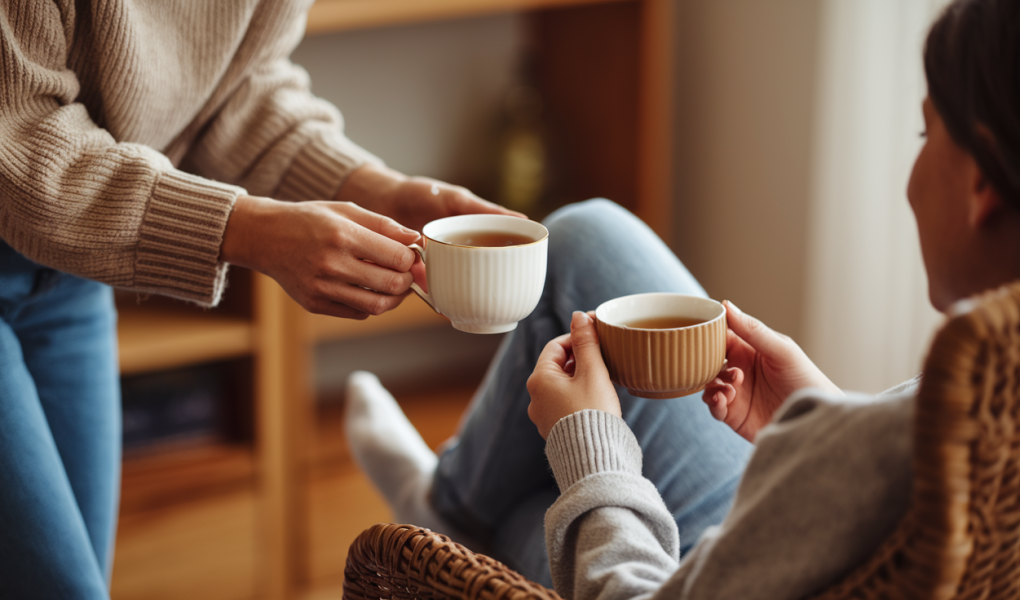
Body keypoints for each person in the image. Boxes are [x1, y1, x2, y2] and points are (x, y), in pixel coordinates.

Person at [345, 0, 1020, 597]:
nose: (910, 179)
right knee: (585, 237)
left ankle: (442, 509)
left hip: (693, 572)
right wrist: (820, 420)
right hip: (796, 541)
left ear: (981, 184)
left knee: (528, 511)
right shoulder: (994, 376)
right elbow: (888, 489)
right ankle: (448, 503)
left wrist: (592, 447)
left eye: (927, 135)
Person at [0, 2, 519, 597]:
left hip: (69, 273)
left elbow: (234, 90)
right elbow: (18, 137)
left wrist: (376, 190)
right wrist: (247, 231)